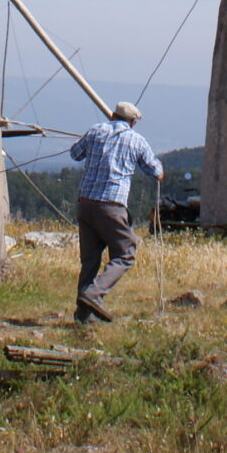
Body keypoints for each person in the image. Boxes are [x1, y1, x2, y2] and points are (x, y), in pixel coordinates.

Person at [67, 101, 162, 323]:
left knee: (89, 260)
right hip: (111, 205)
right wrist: (160, 170)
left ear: (112, 115)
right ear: (133, 121)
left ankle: (82, 316)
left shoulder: (95, 130)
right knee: (125, 253)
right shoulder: (136, 140)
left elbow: (75, 154)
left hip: (85, 203)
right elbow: (155, 171)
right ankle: (93, 294)